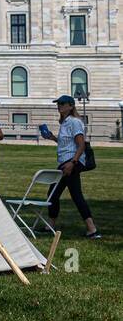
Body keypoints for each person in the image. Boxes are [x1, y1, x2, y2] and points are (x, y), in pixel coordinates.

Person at [42, 95, 100, 238]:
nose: (59, 106)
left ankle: (91, 229)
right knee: (63, 195)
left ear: (71, 106)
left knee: (56, 194)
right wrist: (52, 137)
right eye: (58, 103)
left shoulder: (74, 122)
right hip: (65, 162)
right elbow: (67, 145)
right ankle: (90, 228)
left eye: (62, 103)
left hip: (70, 163)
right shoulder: (65, 122)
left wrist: (72, 163)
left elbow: (80, 145)